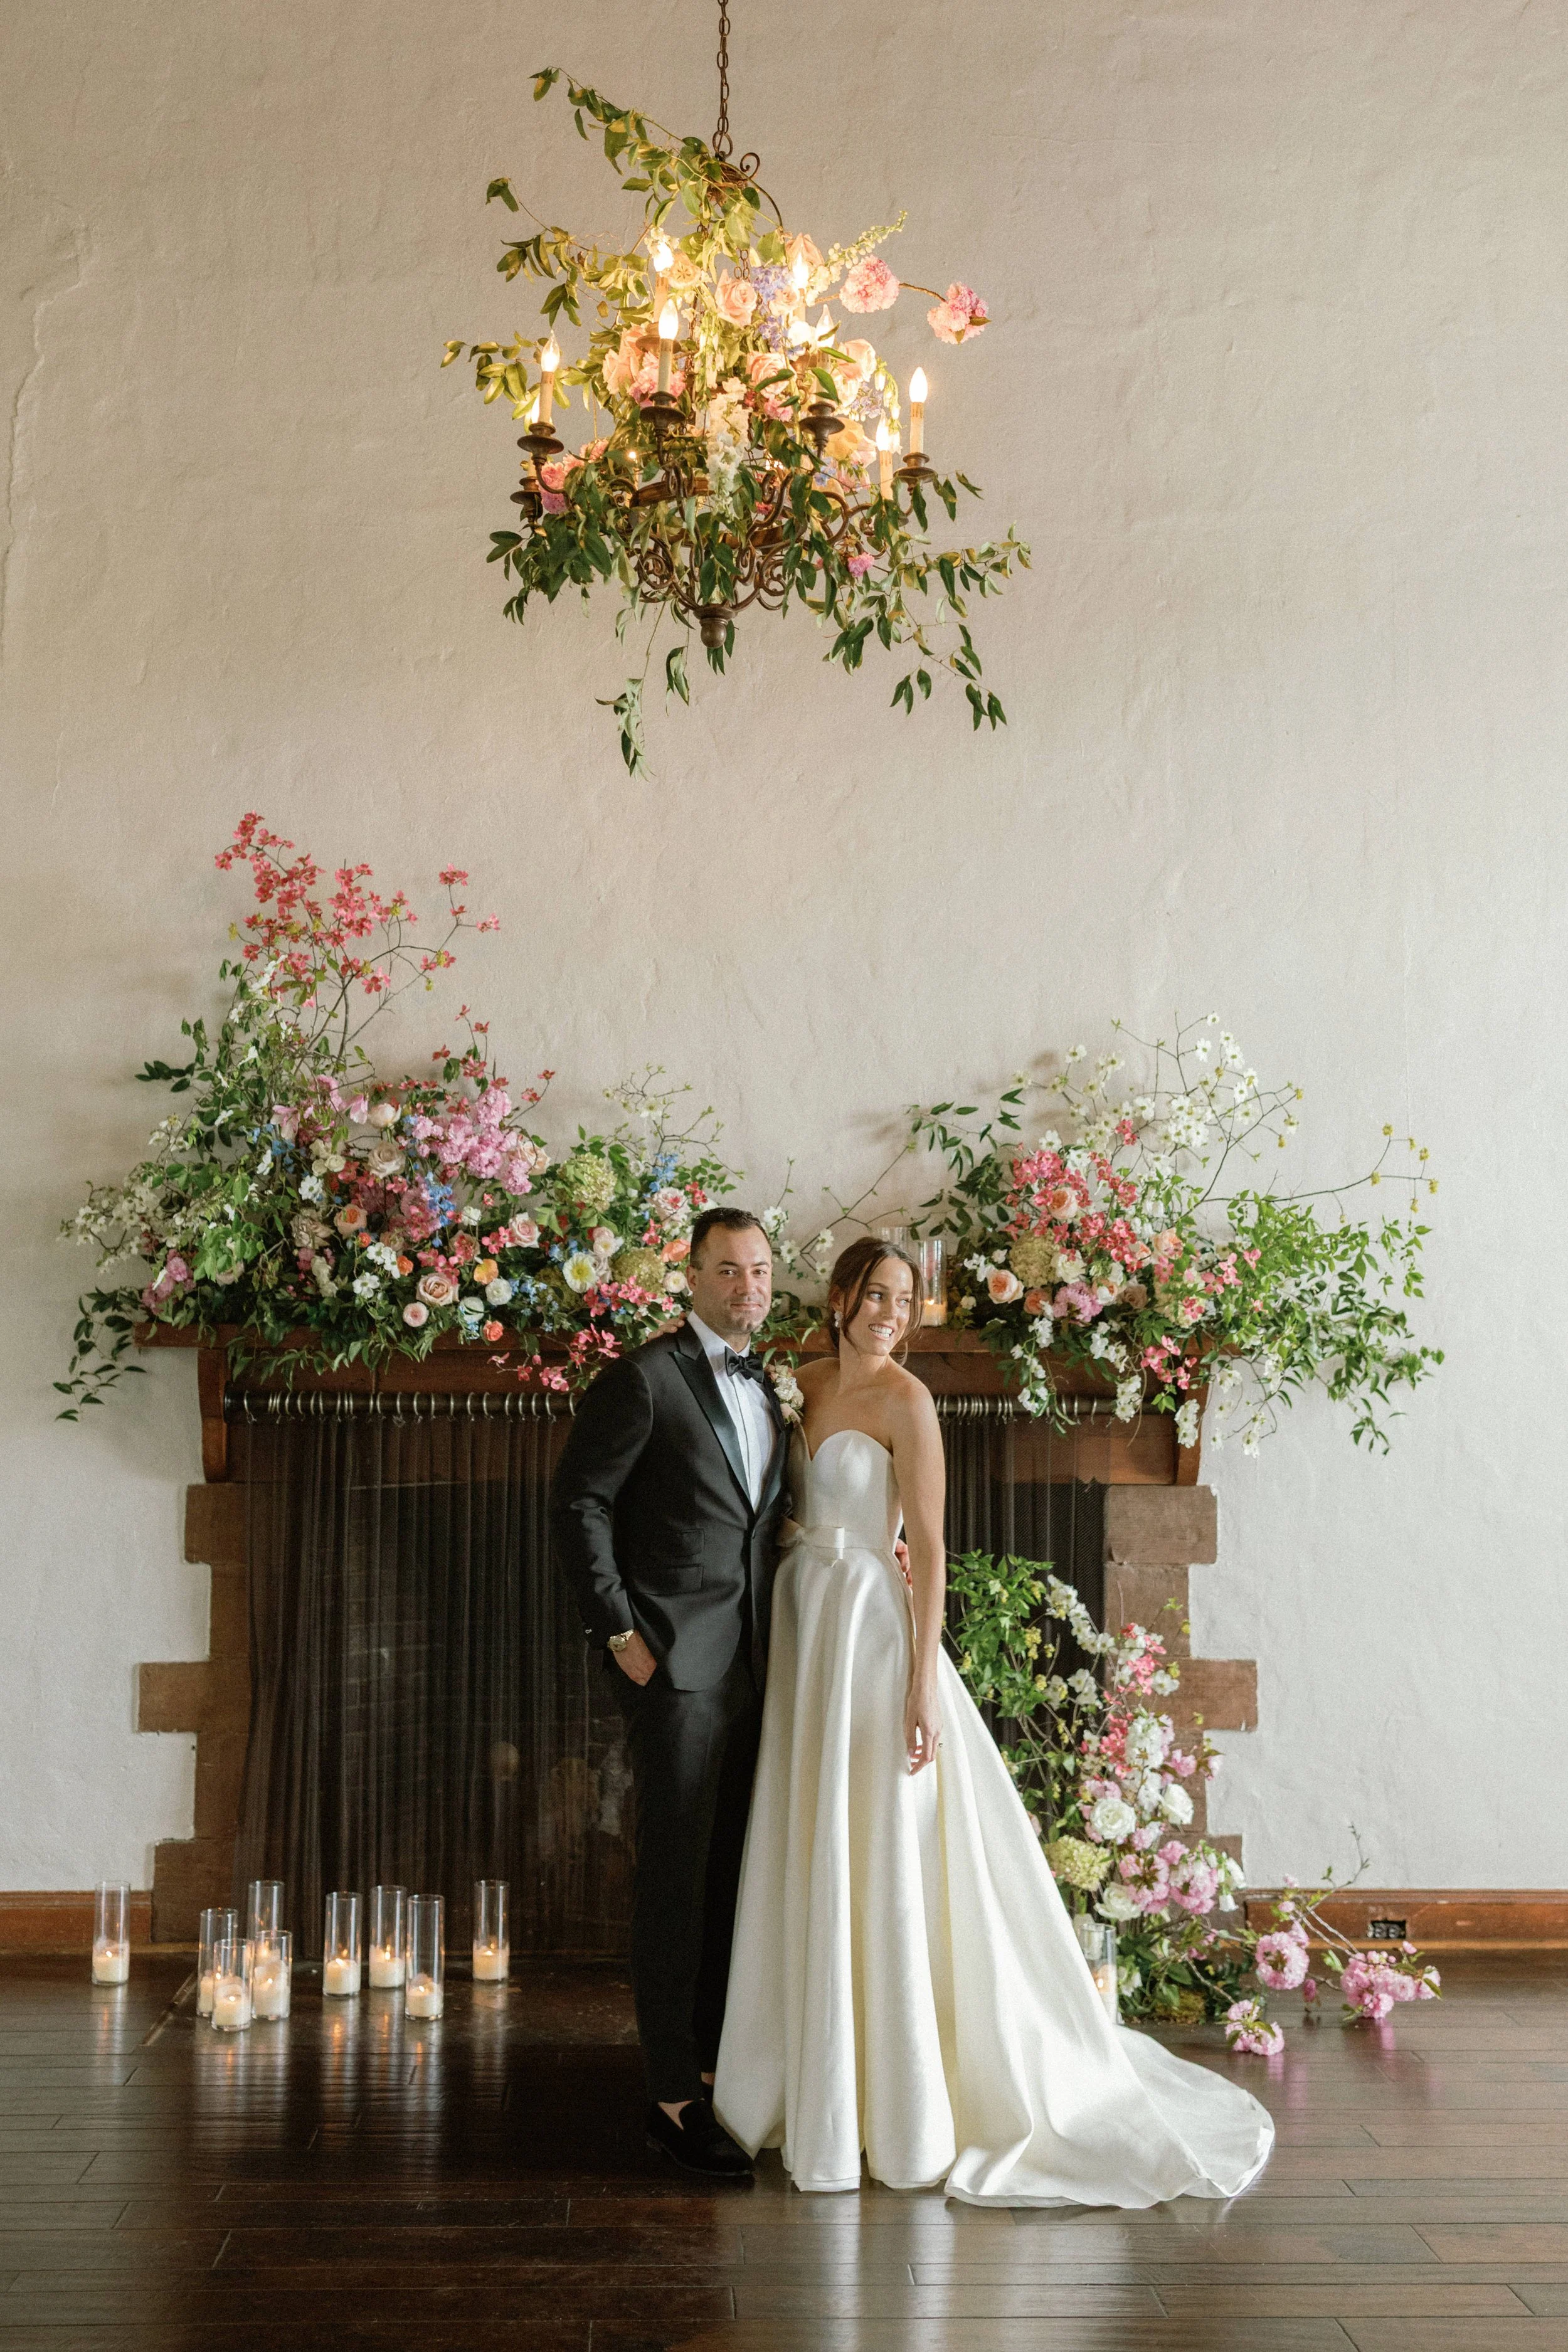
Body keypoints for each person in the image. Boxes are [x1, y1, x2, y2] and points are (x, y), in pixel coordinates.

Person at [712, 1235, 1275, 2206]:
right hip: (805, 1628)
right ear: (842, 1295)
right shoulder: (797, 1382)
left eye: (906, 1300)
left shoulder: (910, 1403)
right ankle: (805, 2078)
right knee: (812, 1835)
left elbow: (928, 1550)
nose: (892, 1313)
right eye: (877, 1294)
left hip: (873, 1640)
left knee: (878, 1844)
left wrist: (923, 1683)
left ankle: (895, 2103)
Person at [550, 1206, 788, 2178]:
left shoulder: (772, 1386)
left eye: (762, 1269)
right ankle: (669, 2095)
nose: (749, 1288)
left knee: (735, 1872)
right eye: (728, 1270)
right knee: (675, 1881)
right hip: (675, 1667)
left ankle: (722, 2073)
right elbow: (579, 1501)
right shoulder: (643, 1379)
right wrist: (621, 1632)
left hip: (762, 1666)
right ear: (690, 1277)